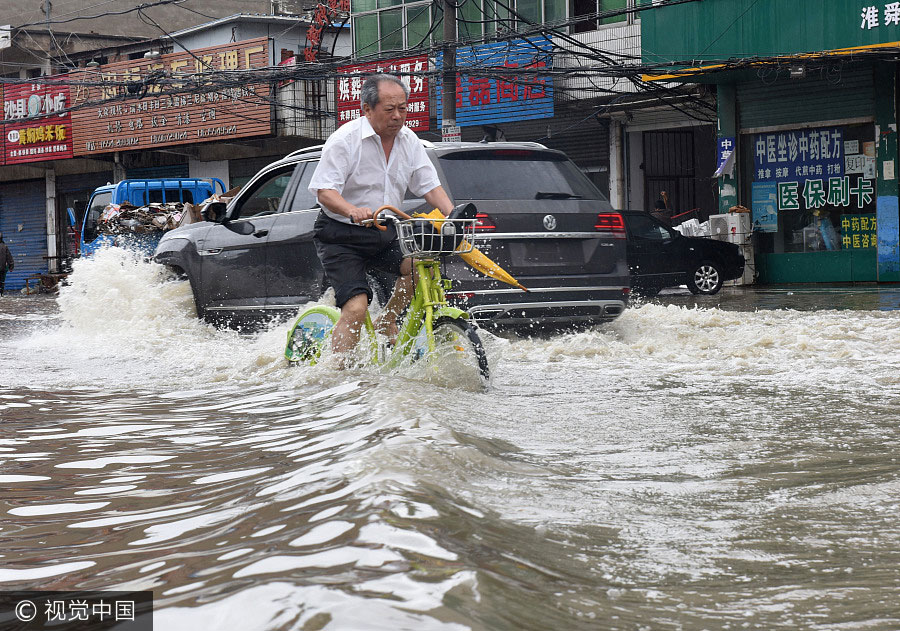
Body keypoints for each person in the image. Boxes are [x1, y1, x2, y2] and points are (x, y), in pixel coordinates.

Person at [308, 73, 455, 359]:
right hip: (341, 236)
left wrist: (453, 215)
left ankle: (388, 319)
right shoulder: (344, 140)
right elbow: (325, 191)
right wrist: (351, 210)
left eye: (403, 108)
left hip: (385, 230)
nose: (398, 116)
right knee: (356, 308)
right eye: (389, 109)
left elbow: (430, 186)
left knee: (422, 266)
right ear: (367, 109)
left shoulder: (410, 141)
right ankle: (339, 374)